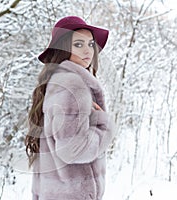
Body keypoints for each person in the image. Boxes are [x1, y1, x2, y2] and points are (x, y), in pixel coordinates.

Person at [25, 16, 116, 200]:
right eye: (79, 44)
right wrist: (103, 125)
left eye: (90, 44)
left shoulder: (55, 82)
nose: (88, 51)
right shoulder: (73, 85)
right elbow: (73, 149)